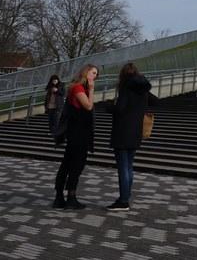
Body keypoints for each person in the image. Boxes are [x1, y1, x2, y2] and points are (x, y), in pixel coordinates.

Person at [103, 62, 158, 211]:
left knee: (123, 167)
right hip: (136, 132)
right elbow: (155, 101)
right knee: (129, 166)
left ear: (123, 74)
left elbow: (120, 109)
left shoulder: (126, 87)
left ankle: (123, 201)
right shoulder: (143, 88)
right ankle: (126, 197)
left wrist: (109, 106)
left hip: (122, 132)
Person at [54, 64, 98, 208]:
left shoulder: (78, 87)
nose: (95, 77)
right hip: (78, 132)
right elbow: (88, 106)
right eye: (93, 73)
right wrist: (91, 90)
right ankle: (69, 197)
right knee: (75, 164)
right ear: (85, 73)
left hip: (78, 131)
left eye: (96, 74)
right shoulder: (78, 88)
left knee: (68, 163)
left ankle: (61, 196)